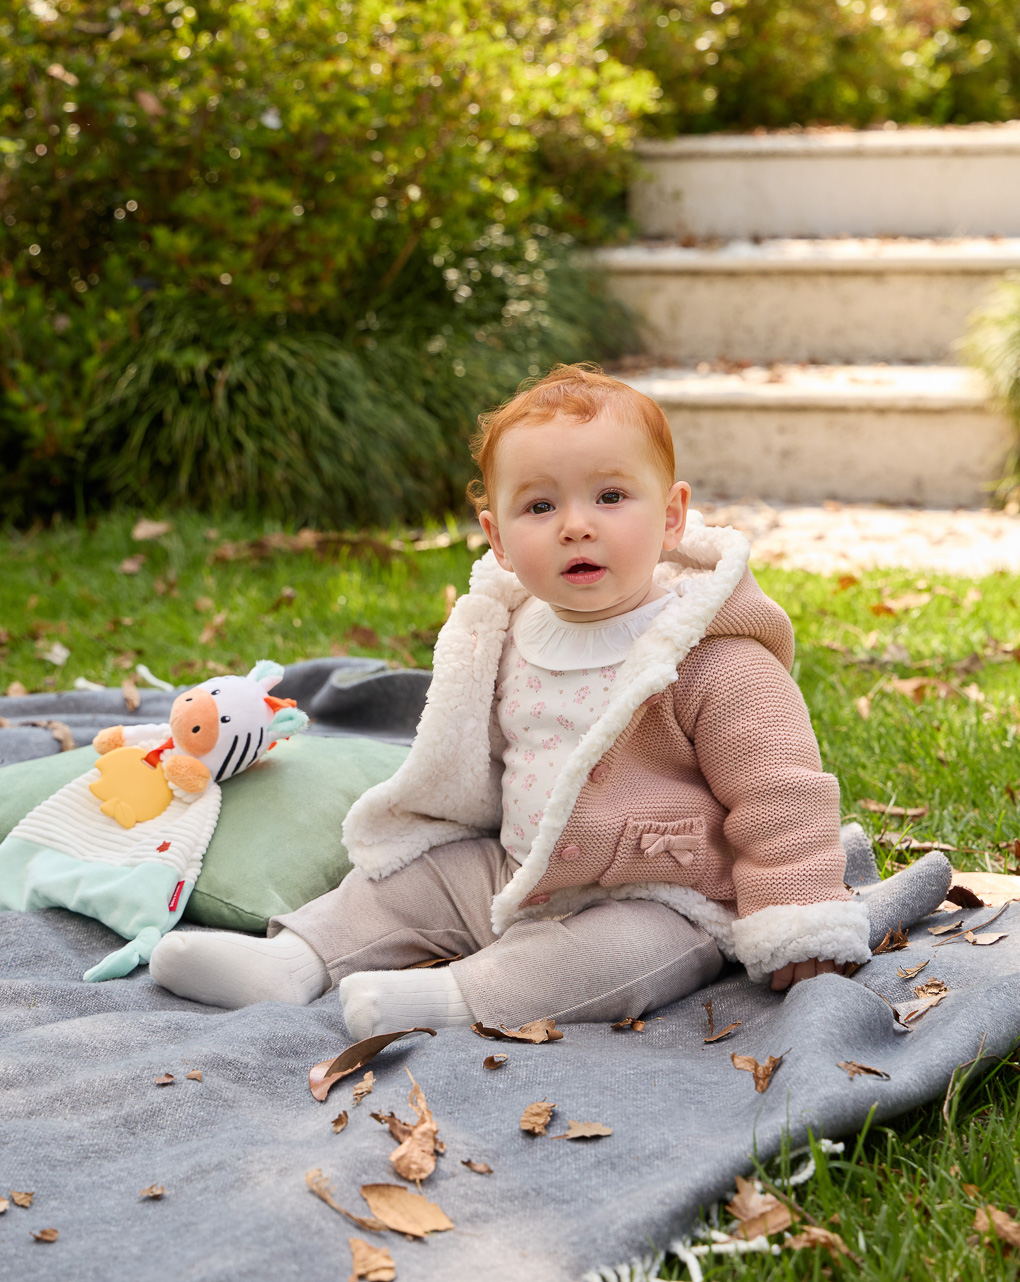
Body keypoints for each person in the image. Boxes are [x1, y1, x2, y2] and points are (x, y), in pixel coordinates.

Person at [149, 363, 942, 1034]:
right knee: (408, 882)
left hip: (668, 891)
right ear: (496, 539)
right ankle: (296, 960)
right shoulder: (505, 630)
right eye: (540, 506)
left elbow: (781, 792)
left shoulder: (711, 655)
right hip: (518, 863)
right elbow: (482, 757)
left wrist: (796, 908)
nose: (575, 527)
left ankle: (454, 999)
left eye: (609, 497)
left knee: (607, 960)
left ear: (671, 517)